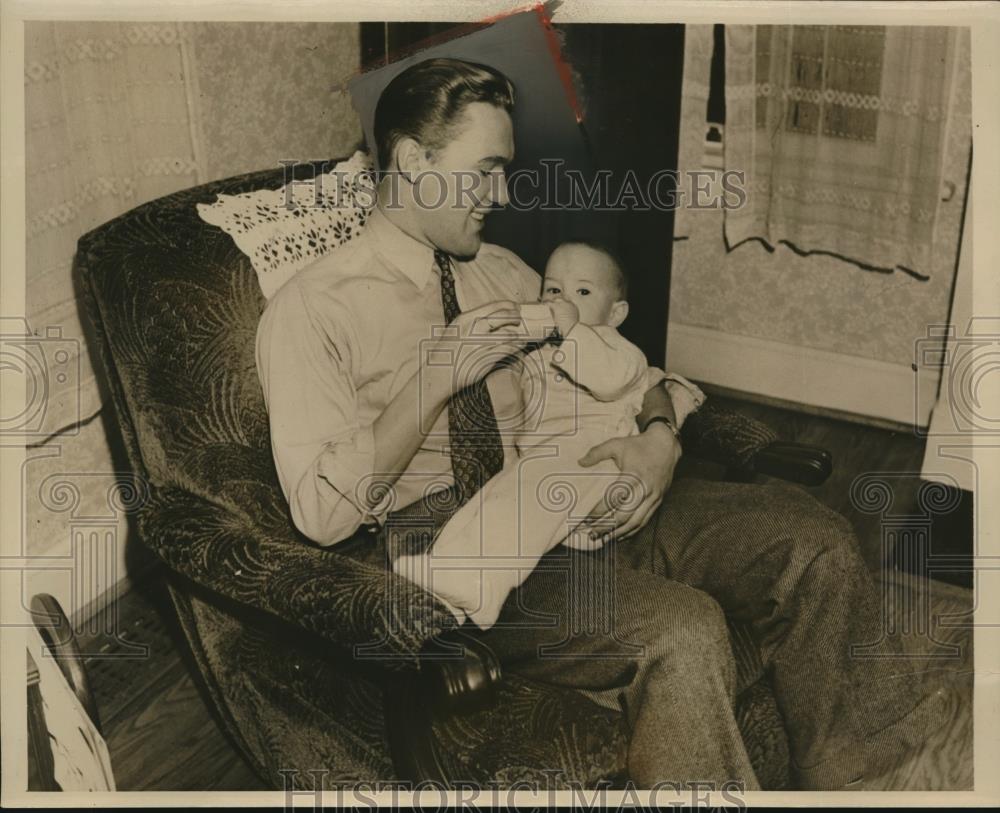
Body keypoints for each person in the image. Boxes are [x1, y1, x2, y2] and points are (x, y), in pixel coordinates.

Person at [256, 57, 945, 790]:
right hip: (459, 552)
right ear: (410, 160)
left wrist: (658, 443)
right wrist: (432, 378)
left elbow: (648, 376)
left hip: (584, 490)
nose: (502, 191)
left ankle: (874, 778)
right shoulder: (313, 309)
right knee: (681, 629)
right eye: (485, 168)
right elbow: (324, 514)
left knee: (817, 542)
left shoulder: (510, 272)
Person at [394, 241, 661, 631]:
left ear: (616, 313)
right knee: (490, 503)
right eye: (553, 290)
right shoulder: (542, 349)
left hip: (596, 458)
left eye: (583, 292)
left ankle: (479, 583)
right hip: (548, 465)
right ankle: (448, 579)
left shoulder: (621, 351)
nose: (563, 300)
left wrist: (570, 329)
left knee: (521, 506)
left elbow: (608, 380)